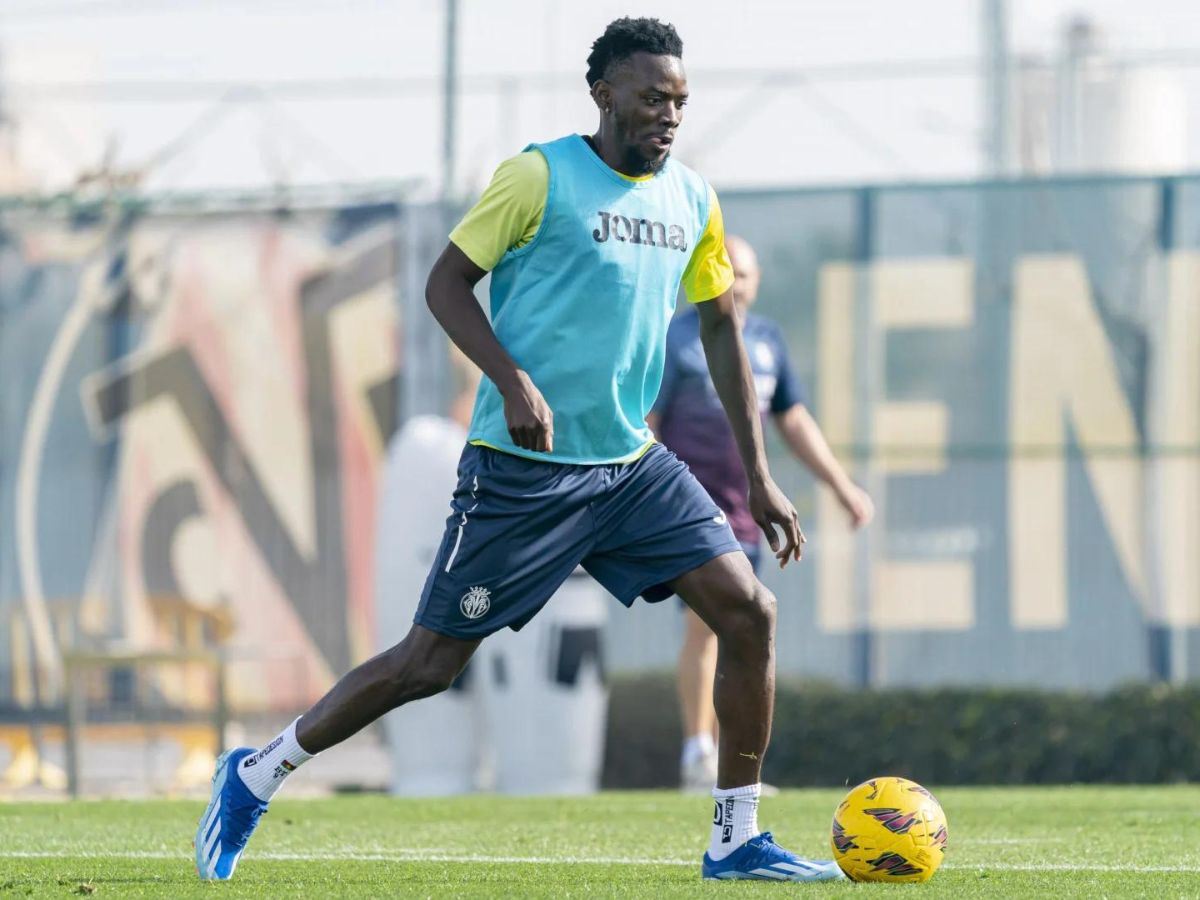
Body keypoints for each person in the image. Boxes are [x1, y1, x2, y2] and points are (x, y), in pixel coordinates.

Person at [194, 18, 844, 883]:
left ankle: (735, 837)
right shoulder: (538, 176)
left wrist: (758, 477)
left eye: (680, 100)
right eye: (652, 96)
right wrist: (510, 379)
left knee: (749, 612)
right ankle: (257, 773)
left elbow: (722, 328)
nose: (669, 114)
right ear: (603, 93)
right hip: (522, 475)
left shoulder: (693, 198)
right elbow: (445, 284)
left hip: (630, 468)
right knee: (426, 666)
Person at [648, 235, 874, 793]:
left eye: (745, 274)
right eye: (728, 272)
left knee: (742, 631)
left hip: (747, 511)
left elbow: (793, 420)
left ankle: (727, 763)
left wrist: (842, 487)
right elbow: (649, 418)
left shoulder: (768, 340)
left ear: (757, 280)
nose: (736, 284)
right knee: (707, 628)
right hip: (689, 506)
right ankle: (698, 756)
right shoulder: (677, 337)